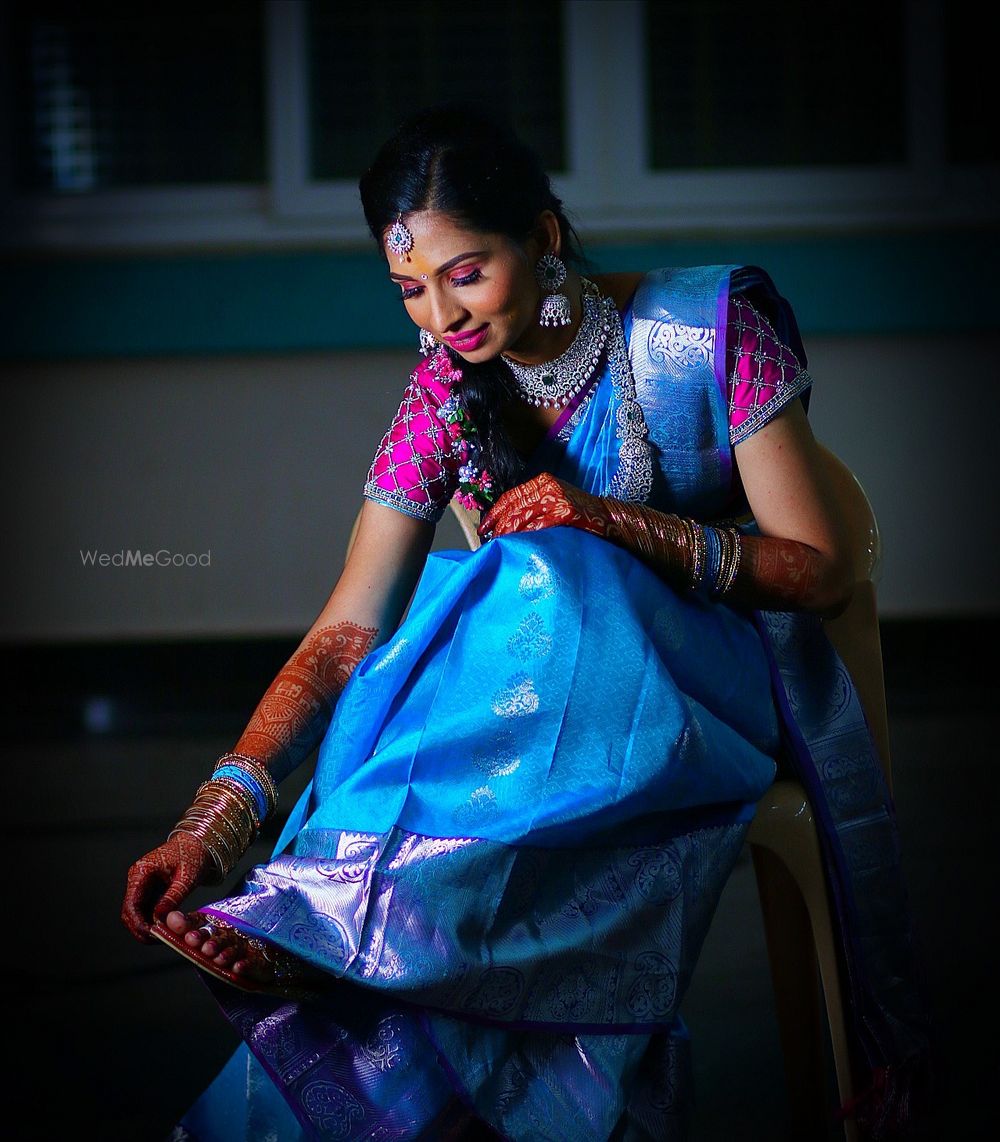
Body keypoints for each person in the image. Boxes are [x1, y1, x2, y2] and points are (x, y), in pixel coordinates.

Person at [122, 106, 932, 1141]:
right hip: (540, 716)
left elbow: (818, 572)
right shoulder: (443, 397)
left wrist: (606, 523)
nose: (438, 318)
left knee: (539, 574)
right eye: (409, 290)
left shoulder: (709, 332)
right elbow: (344, 631)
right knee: (421, 634)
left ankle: (340, 923)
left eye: (464, 272)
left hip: (708, 688)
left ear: (543, 239)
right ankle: (334, 920)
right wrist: (217, 817)